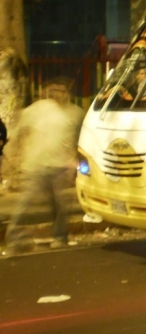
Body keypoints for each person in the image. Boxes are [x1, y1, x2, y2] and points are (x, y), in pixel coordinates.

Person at [3, 77, 85, 254]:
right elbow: (18, 132)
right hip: (37, 166)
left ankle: (59, 237)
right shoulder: (37, 110)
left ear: (68, 93)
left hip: (61, 168)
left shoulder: (75, 113)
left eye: (62, 90)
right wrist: (15, 157)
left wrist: (74, 161)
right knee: (25, 203)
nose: (58, 94)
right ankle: (14, 237)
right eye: (54, 90)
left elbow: (78, 139)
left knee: (60, 206)